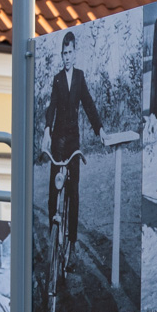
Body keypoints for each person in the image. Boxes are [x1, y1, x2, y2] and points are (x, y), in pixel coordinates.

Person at [46, 30, 103, 252]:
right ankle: (54, 234)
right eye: (64, 53)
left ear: (75, 53)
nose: (66, 57)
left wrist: (99, 129)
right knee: (53, 189)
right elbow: (51, 106)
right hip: (58, 140)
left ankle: (72, 242)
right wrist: (46, 129)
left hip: (73, 142)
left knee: (73, 190)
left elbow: (88, 104)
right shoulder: (57, 79)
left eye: (70, 52)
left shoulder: (79, 77)